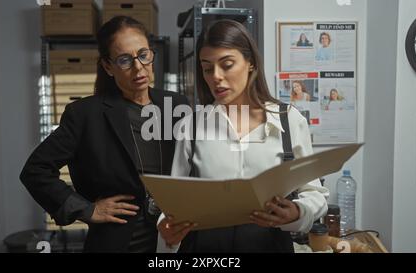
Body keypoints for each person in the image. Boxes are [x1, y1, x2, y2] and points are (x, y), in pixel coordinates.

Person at [156, 19, 329, 253]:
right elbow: (174, 203)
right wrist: (166, 229)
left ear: (250, 63)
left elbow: (314, 194)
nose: (215, 76)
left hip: (270, 244)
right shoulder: (192, 126)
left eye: (226, 65)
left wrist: (297, 213)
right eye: (207, 68)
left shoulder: (289, 120)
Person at [20, 16, 189, 252]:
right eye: (124, 60)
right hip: (120, 242)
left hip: (176, 239)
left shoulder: (178, 105)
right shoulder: (85, 114)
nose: (138, 67)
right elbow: (35, 171)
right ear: (108, 66)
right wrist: (87, 209)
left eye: (143, 54)